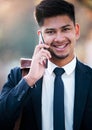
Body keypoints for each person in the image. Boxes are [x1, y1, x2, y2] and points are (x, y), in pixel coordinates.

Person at [0, 0, 92, 130]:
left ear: (76, 31)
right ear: (40, 36)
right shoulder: (19, 76)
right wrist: (29, 80)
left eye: (65, 29)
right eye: (50, 32)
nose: (59, 38)